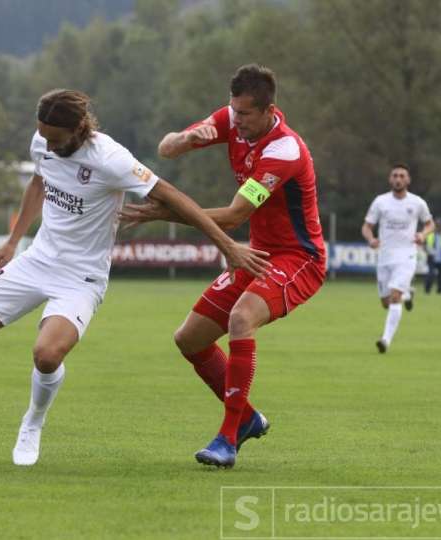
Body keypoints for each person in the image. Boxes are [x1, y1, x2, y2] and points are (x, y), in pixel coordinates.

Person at [0, 88, 269, 466]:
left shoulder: (110, 158)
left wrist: (226, 245)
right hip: (36, 259)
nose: (47, 145)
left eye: (55, 139)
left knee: (46, 355)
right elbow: (39, 180)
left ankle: (32, 422)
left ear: (78, 129)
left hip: (81, 277)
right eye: (43, 138)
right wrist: (12, 241)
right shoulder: (44, 142)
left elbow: (176, 197)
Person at [120, 64, 326, 468]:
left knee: (241, 318)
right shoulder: (231, 119)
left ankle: (227, 439)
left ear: (270, 110)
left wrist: (164, 213)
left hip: (299, 259)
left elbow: (233, 217)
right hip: (254, 253)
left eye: (245, 115)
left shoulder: (283, 151)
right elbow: (166, 149)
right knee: (189, 339)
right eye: (233, 112)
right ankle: (248, 418)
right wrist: (184, 139)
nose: (237, 121)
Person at [361, 164, 434, 353]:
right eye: (395, 175)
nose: (398, 179)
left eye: (402, 176)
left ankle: (385, 341)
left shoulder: (417, 202)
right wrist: (371, 239)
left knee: (394, 297)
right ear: (390, 179)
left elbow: (429, 224)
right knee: (386, 302)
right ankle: (408, 292)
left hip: (407, 255)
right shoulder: (380, 202)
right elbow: (367, 226)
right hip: (385, 257)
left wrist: (422, 235)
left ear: (408, 180)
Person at [424, 218, 441, 294]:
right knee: (431, 274)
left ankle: (440, 291)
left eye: (440, 225)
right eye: (437, 225)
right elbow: (426, 244)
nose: (438, 227)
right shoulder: (430, 234)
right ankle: (427, 290)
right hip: (432, 258)